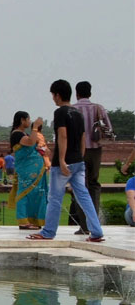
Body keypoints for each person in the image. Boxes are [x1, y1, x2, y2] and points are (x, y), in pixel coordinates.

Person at [30, 79, 104, 242]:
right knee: (84, 196)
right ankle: (96, 231)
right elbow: (83, 137)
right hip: (78, 161)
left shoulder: (60, 113)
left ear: (57, 95)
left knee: (55, 198)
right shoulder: (77, 113)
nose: (53, 98)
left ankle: (48, 232)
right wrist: (80, 158)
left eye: (53, 95)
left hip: (64, 163)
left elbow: (62, 135)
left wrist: (62, 160)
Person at [70, 81, 113, 233]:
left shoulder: (72, 110)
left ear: (77, 93)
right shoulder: (98, 108)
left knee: (80, 187)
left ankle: (84, 226)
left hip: (77, 152)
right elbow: (108, 129)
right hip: (95, 150)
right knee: (94, 185)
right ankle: (94, 223)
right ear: (90, 93)